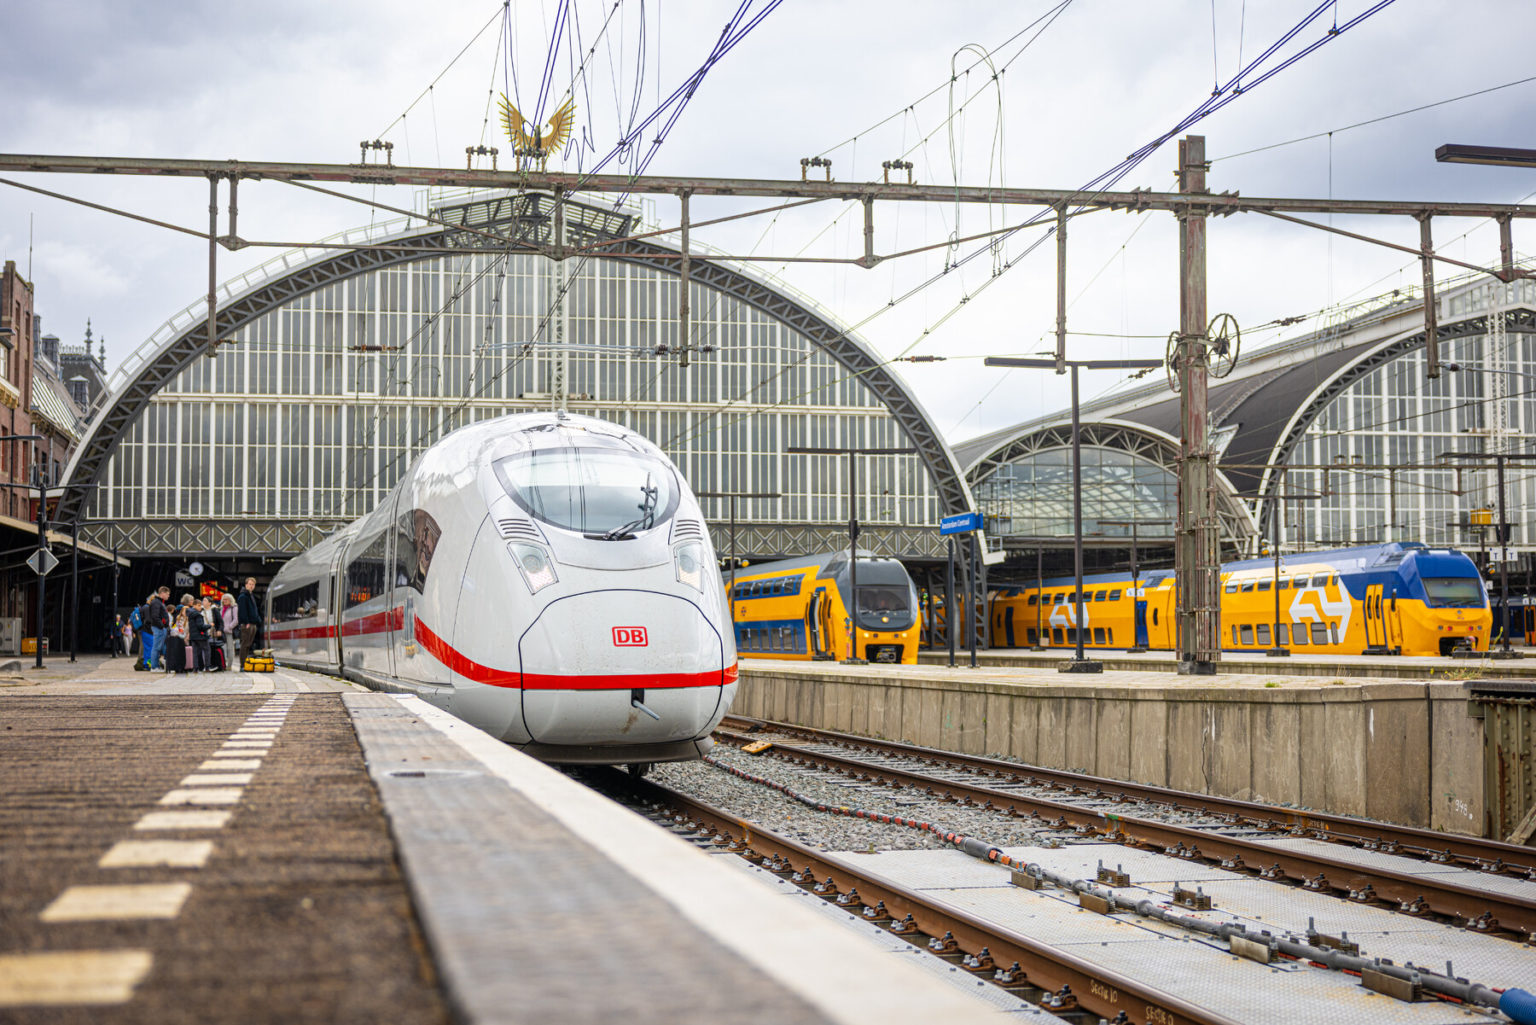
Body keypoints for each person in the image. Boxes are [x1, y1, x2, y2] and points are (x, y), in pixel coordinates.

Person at [237, 576, 263, 668]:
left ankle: (245, 663)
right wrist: (246, 622)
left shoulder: (250, 596)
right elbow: (242, 611)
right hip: (247, 624)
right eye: (250, 584)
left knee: (248, 644)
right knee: (245, 644)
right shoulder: (243, 596)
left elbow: (254, 610)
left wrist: (258, 620)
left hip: (253, 623)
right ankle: (242, 665)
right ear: (246, 585)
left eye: (253, 584)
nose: (251, 586)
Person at [143, 587, 171, 672]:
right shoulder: (156, 602)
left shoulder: (159, 602)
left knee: (159, 647)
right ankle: (154, 667)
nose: (168, 596)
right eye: (167, 594)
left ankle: (157, 666)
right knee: (156, 647)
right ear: (162, 593)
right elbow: (155, 616)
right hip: (159, 628)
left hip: (159, 628)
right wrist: (162, 626)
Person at [188, 596, 211, 672]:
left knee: (195, 653)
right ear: (194, 605)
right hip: (201, 636)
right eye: (198, 605)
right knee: (207, 650)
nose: (200, 607)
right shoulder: (198, 615)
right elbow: (200, 626)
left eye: (200, 605)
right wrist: (210, 625)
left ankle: (195, 668)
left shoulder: (190, 614)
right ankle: (207, 667)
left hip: (193, 637)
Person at [218, 593, 238, 671]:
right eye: (223, 599)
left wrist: (229, 627)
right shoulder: (221, 608)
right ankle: (223, 664)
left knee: (230, 649)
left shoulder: (234, 608)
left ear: (230, 600)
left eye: (226, 599)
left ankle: (229, 665)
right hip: (222, 631)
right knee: (223, 648)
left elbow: (236, 620)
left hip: (229, 631)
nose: (224, 601)